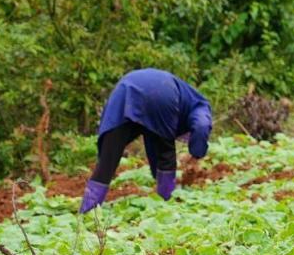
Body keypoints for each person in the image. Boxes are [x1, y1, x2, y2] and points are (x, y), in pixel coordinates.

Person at [79, 69, 213, 213]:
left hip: (125, 91)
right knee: (165, 152)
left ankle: (87, 210)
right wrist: (196, 156)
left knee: (108, 157)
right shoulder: (200, 104)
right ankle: (166, 202)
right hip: (162, 92)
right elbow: (202, 125)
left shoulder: (185, 96)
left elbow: (152, 140)